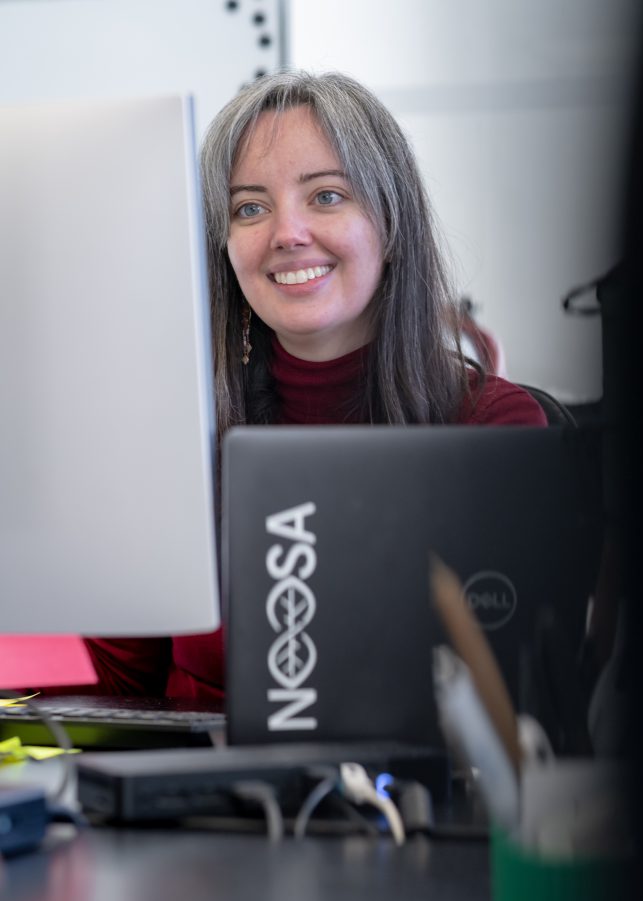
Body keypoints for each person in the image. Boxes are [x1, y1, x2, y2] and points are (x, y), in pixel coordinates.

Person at [84, 70, 546, 700]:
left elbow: (497, 690)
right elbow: (121, 693)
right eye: (250, 207)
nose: (287, 233)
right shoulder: (176, 439)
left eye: (326, 196)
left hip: (399, 798)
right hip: (195, 792)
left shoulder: (489, 425)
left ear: (392, 219)